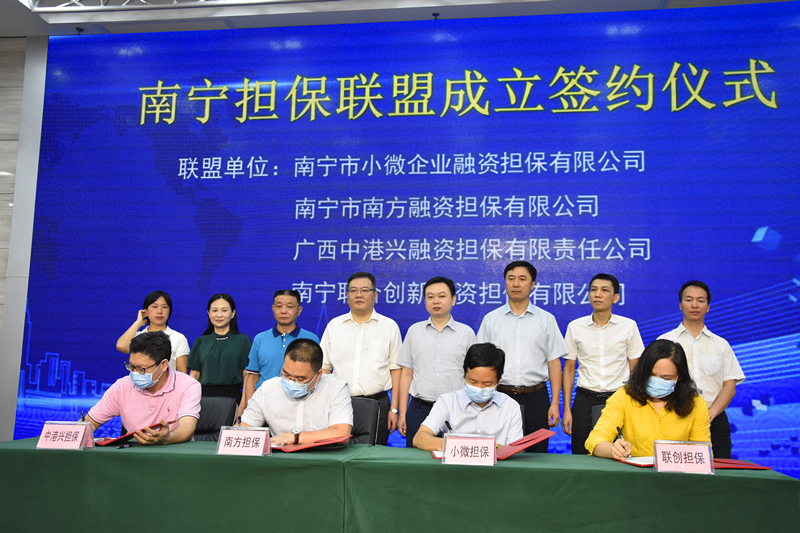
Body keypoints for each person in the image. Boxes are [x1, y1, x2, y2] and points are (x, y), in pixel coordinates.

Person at [477, 261, 567, 452]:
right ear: (505, 282)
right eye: (511, 279)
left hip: (537, 398)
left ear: (533, 284)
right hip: (499, 396)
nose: (516, 284)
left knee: (537, 455)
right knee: (499, 453)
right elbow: (481, 362)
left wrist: (555, 403)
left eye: (522, 279)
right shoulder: (491, 319)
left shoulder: (546, 320)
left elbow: (554, 363)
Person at [658, 280, 745, 458]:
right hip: (674, 417)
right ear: (680, 305)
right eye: (689, 300)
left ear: (708, 307)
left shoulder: (721, 344)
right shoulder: (665, 341)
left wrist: (709, 415)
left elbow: (729, 385)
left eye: (700, 300)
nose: (695, 305)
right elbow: (656, 380)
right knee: (673, 470)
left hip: (714, 418)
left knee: (719, 469)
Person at [585, 339, 710, 460]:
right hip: (634, 472)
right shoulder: (624, 396)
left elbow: (703, 452)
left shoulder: (696, 404)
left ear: (680, 377)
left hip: (678, 473)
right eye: (651, 375)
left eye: (666, 378)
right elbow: (595, 440)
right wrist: (613, 450)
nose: (657, 382)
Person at [562, 273, 644, 454]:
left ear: (616, 297)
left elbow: (636, 368)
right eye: (593, 290)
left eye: (604, 290)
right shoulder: (575, 327)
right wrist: (567, 409)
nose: (597, 294)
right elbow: (568, 369)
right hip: (584, 400)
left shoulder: (628, 326)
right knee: (580, 454)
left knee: (619, 454)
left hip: (618, 399)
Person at [320, 272, 402, 446]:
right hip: (339, 403)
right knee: (337, 451)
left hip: (377, 403)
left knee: (374, 454)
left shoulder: (389, 327)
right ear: (347, 295)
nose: (358, 295)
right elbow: (324, 368)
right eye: (353, 290)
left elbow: (396, 370)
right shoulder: (334, 326)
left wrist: (394, 409)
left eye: (365, 290)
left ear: (375, 295)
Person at [397, 276, 476, 447]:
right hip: (420, 409)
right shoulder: (414, 331)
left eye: (442, 296)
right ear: (425, 301)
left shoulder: (466, 333)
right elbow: (407, 373)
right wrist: (402, 413)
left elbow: (474, 375)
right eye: (430, 297)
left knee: (457, 457)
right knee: (416, 459)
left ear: (453, 300)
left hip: (457, 410)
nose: (436, 301)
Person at [88, 331, 201, 444]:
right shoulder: (122, 386)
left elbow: (187, 427)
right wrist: (79, 435)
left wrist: (167, 438)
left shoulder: (188, 385)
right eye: (131, 366)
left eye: (141, 369)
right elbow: (90, 422)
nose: (135, 373)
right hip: (134, 452)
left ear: (163, 365)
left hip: (174, 451)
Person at [239, 338, 353, 446]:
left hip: (323, 455)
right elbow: (244, 430)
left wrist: (293, 437)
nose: (291, 382)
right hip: (281, 456)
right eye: (286, 375)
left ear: (318, 375)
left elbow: (342, 433)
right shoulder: (267, 389)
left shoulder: (336, 388)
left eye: (300, 379)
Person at [413, 343, 523, 452]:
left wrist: (484, 447)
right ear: (465, 375)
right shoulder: (447, 402)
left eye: (487, 383)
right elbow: (419, 438)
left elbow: (517, 451)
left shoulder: (511, 406)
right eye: (473, 382)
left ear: (498, 381)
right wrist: (453, 445)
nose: (479, 388)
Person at [239, 290, 319, 419]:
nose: (283, 311)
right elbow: (252, 377)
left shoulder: (311, 339)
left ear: (299, 310)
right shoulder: (260, 339)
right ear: (273, 308)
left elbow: (316, 377)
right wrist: (251, 408)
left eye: (289, 306)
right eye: (279, 306)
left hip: (299, 406)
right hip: (264, 406)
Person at [188, 293, 252, 400]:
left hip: (233, 397)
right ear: (208, 313)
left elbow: (247, 376)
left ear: (233, 313)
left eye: (224, 310)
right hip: (204, 399)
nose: (219, 315)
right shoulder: (201, 341)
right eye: (214, 310)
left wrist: (245, 404)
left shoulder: (242, 340)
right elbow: (194, 376)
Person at [116, 290, 190, 374]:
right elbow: (121, 346)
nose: (159, 311)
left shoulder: (178, 338)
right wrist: (138, 323)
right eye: (154, 307)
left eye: (165, 307)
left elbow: (183, 373)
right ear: (145, 311)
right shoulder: (138, 337)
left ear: (170, 311)